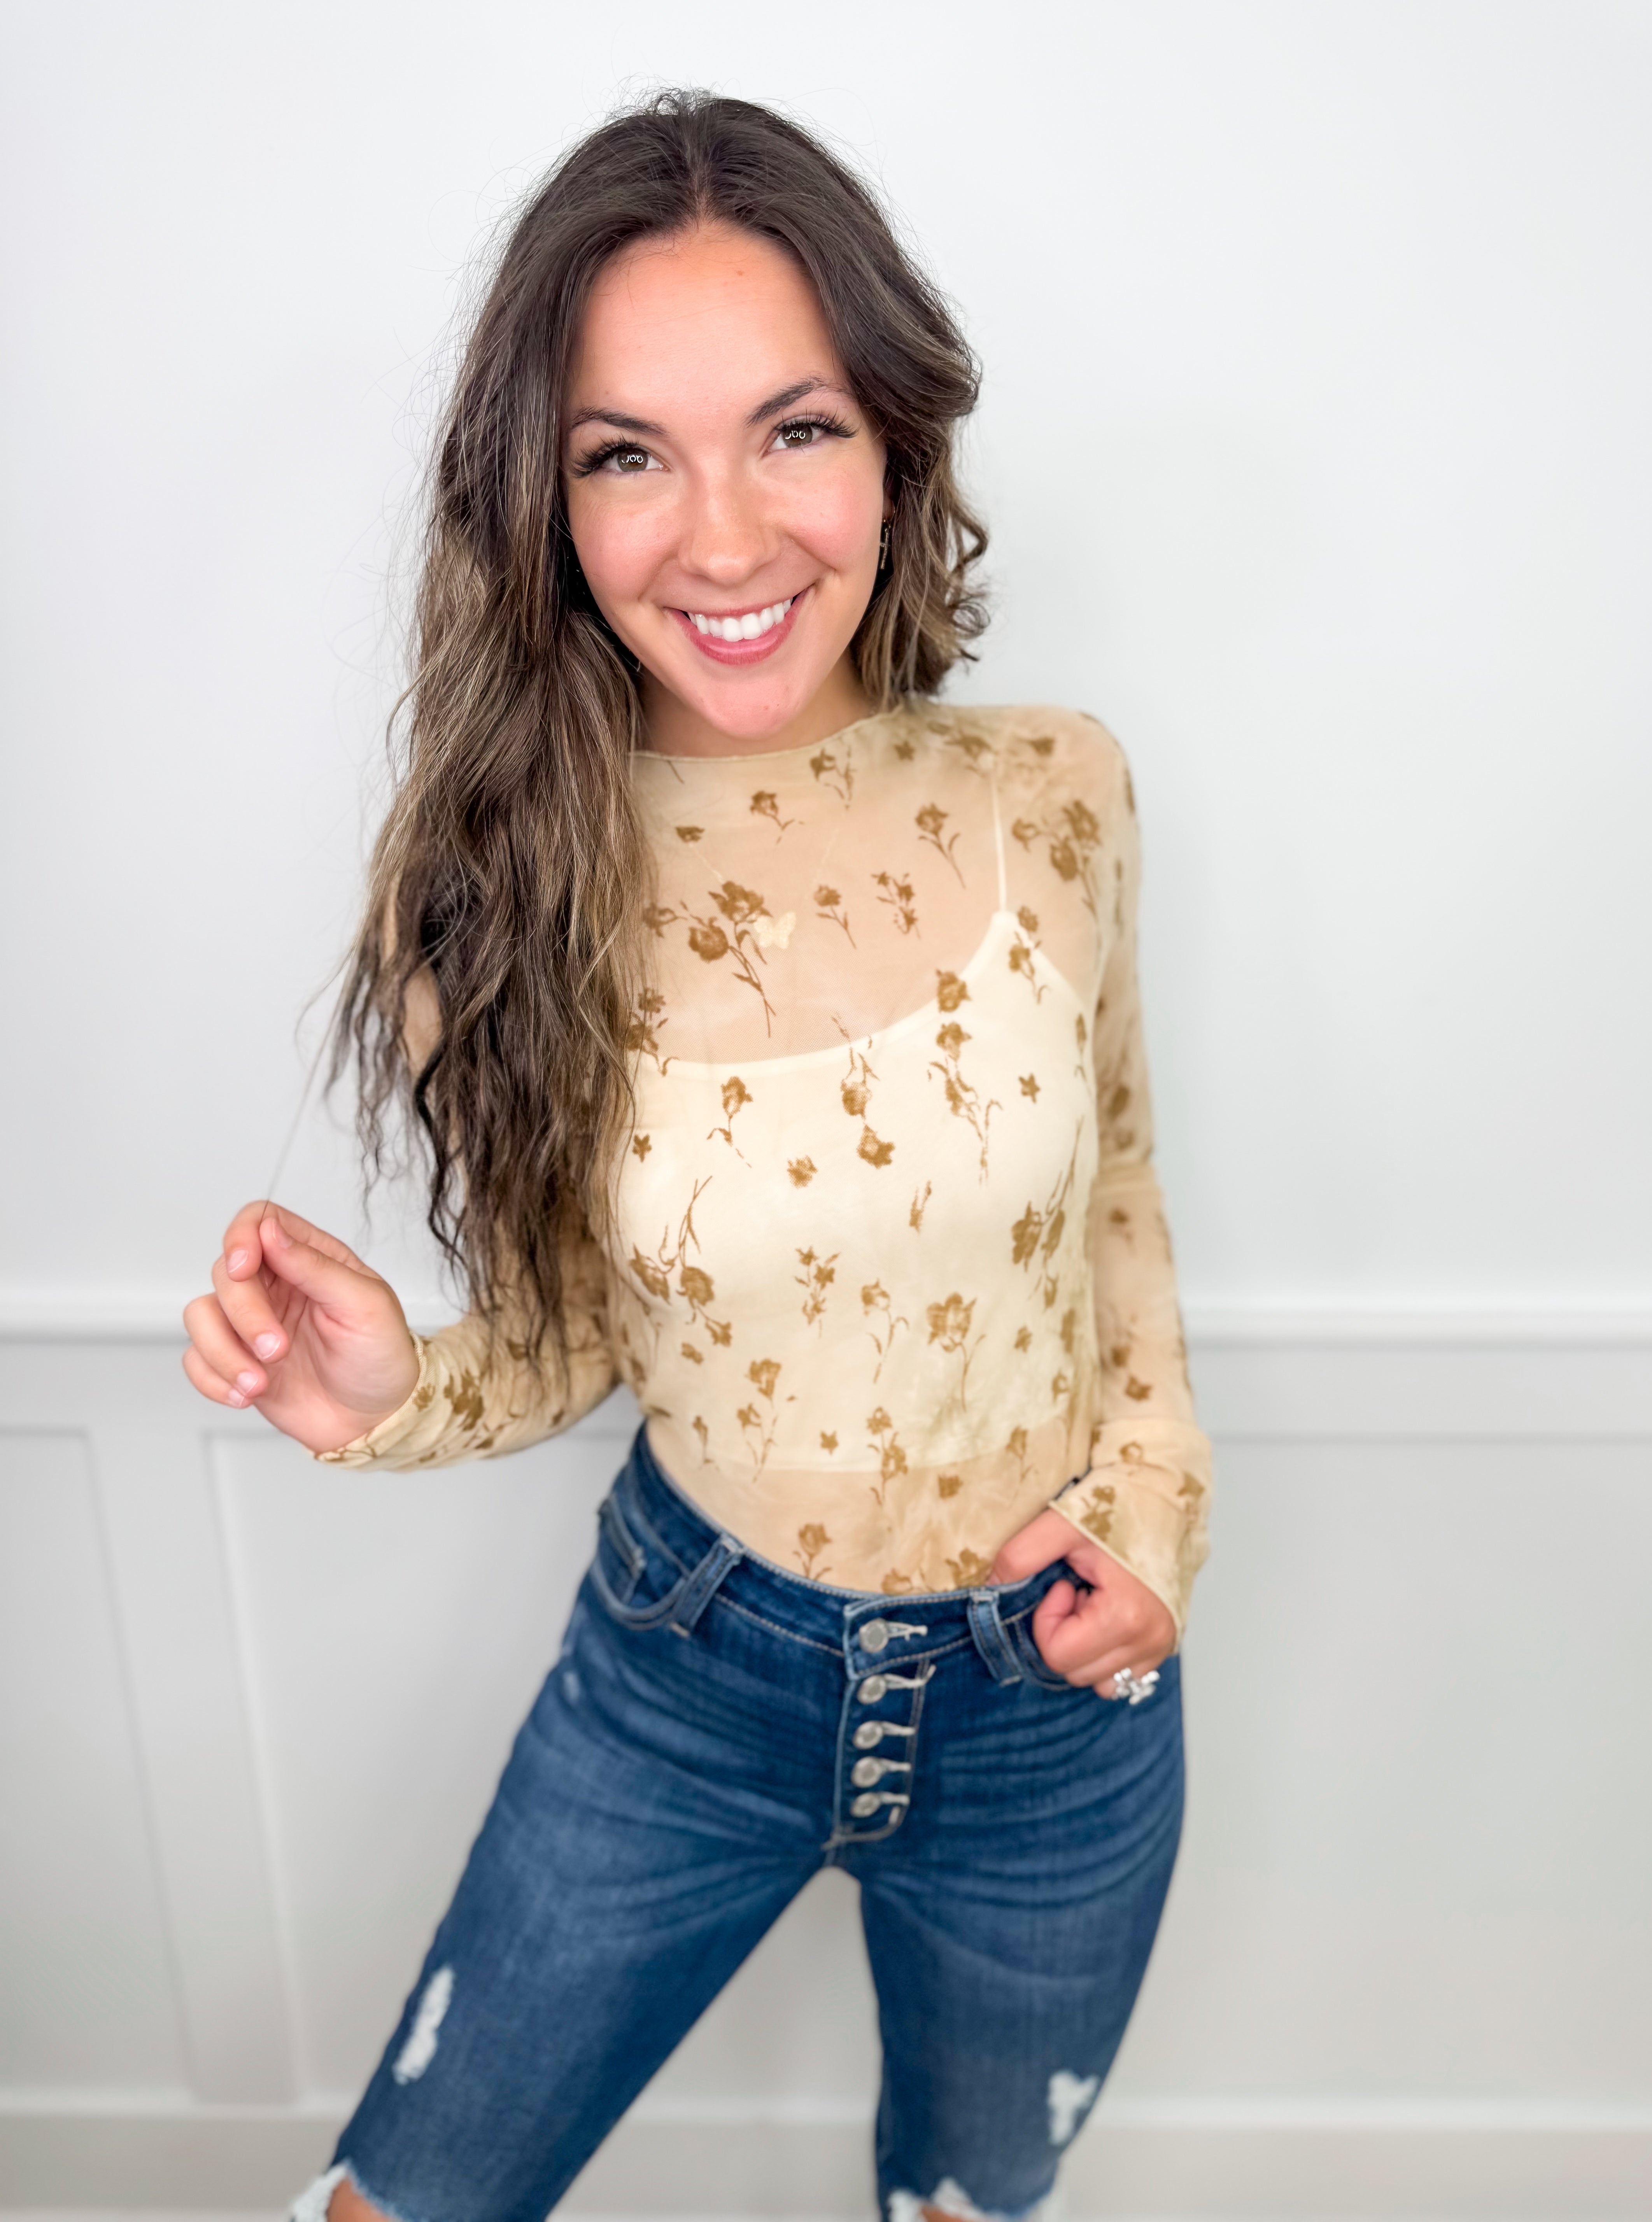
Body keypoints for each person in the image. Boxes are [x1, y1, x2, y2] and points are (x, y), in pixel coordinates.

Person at [182, 89, 1212, 2222]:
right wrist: (395, 1394)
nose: (725, 542)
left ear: (896, 442)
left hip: (1056, 1704)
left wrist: (1160, 1512)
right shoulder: (489, 887)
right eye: (627, 455)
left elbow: (1114, 1193)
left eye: (794, 429)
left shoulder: (1058, 788)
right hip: (688, 1677)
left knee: (968, 2207)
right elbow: (580, 1334)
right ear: (545, 502)